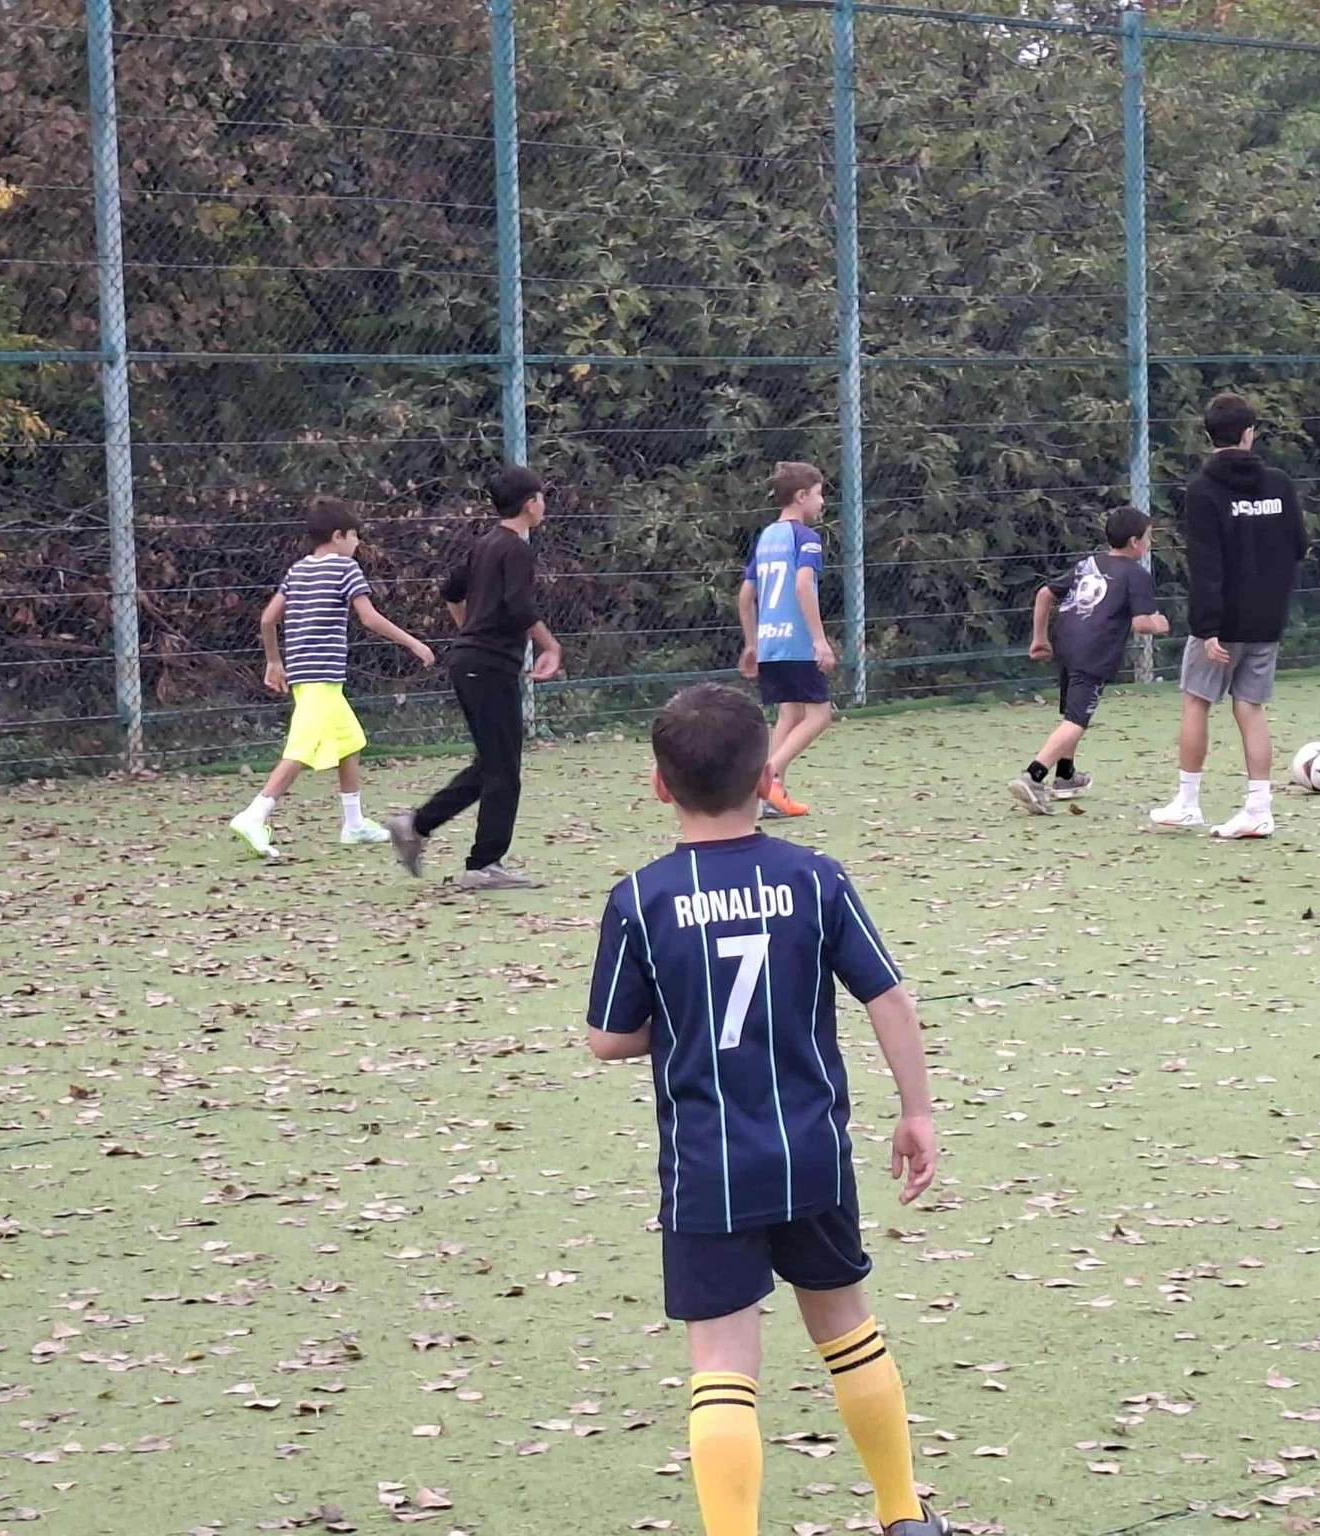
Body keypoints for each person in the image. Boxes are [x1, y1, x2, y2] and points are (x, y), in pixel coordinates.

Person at [585, 683, 952, 1536]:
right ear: (764, 778)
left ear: (659, 784)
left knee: (722, 1363)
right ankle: (903, 1514)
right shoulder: (814, 878)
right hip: (810, 1151)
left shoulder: (641, 898)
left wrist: (686, 1022)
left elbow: (608, 1039)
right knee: (847, 1328)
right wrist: (918, 1112)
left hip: (707, 1166)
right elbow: (890, 998)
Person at [387, 465, 562, 891]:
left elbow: (451, 591)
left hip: (472, 663)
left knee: (492, 764)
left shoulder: (485, 544)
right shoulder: (516, 549)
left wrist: (470, 630)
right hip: (488, 667)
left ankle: (415, 825)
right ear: (530, 503)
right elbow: (520, 607)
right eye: (541, 497)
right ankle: (483, 864)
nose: (544, 504)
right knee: (504, 770)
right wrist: (551, 646)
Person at [229, 498, 435, 858]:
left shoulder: (297, 570)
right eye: (354, 535)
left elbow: (267, 619)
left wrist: (274, 661)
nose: (358, 542)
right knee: (301, 750)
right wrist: (413, 642)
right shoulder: (346, 568)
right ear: (338, 536)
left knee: (349, 742)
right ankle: (254, 815)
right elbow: (369, 618)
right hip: (322, 677)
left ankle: (354, 825)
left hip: (307, 676)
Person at [1150, 392, 1309, 839]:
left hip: (1221, 625)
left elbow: (1206, 565)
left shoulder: (1202, 491)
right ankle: (1259, 809)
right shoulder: (1280, 484)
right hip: (1268, 620)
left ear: (1208, 436)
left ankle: (1188, 803)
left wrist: (1207, 629)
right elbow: (1299, 546)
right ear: (1249, 433)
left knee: (1196, 701)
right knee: (1250, 708)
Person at [1012, 506, 1171, 814]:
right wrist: (1160, 623)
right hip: (1095, 653)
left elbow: (1045, 594)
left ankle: (1066, 775)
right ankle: (1033, 776)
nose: (1150, 543)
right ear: (1135, 541)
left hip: (1067, 645)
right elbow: (1141, 624)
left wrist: (1040, 638)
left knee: (1073, 714)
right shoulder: (1137, 575)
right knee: (1076, 721)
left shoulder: (1088, 564)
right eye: (1149, 537)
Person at [738, 461, 836, 819]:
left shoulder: (766, 537)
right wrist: (819, 640)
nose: (823, 502)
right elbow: (802, 585)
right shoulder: (805, 538)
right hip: (796, 642)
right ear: (801, 496)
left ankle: (769, 798)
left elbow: (745, 596)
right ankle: (767, 775)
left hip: (769, 643)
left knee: (791, 712)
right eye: (819, 494)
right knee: (820, 714)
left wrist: (752, 643)